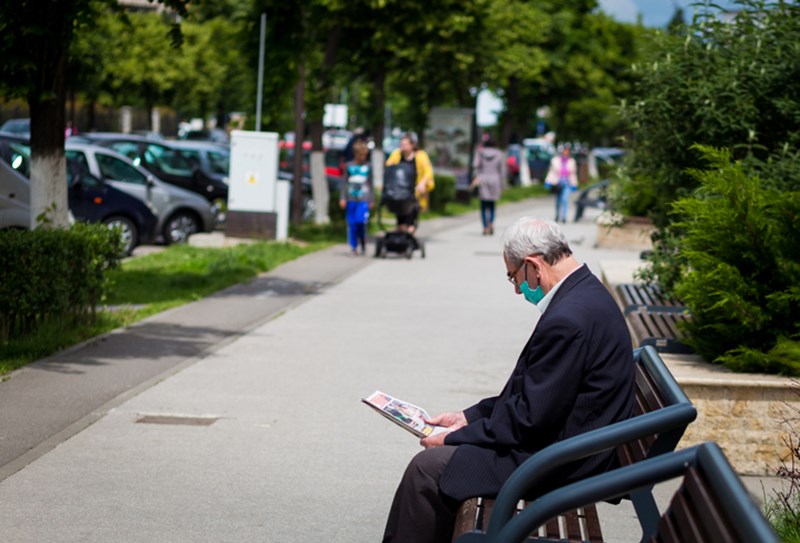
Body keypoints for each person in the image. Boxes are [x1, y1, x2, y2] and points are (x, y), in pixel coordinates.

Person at [382, 217, 635, 543]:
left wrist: (454, 438)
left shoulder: (568, 320)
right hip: (570, 444)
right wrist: (468, 418)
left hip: (561, 460)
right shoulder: (584, 293)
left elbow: (528, 420)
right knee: (435, 466)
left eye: (514, 277)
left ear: (533, 265)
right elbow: (535, 396)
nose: (518, 290)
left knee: (427, 470)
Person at [385, 133, 434, 234]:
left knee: (410, 220)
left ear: (412, 145)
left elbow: (428, 172)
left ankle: (408, 235)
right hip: (399, 192)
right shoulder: (397, 154)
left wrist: (422, 184)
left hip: (414, 193)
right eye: (401, 144)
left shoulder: (420, 156)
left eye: (405, 144)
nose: (402, 147)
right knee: (400, 221)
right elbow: (389, 167)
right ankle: (401, 239)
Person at [339, 139, 374, 255]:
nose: (363, 157)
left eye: (365, 155)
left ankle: (363, 242)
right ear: (356, 154)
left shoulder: (368, 166)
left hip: (364, 199)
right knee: (352, 224)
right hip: (351, 199)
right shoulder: (349, 166)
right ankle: (353, 247)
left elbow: (371, 184)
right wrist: (342, 197)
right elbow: (344, 183)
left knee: (361, 222)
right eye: (361, 155)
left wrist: (372, 199)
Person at [470, 136, 506, 235]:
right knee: (492, 204)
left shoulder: (480, 153)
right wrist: (503, 184)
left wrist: (476, 176)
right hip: (495, 180)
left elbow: (475, 166)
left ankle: (485, 226)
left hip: (483, 179)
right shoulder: (499, 154)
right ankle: (490, 223)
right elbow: (502, 170)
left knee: (483, 205)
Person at [544, 146, 578, 223]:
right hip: (557, 183)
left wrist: (575, 184)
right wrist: (547, 181)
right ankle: (557, 215)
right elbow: (551, 172)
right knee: (558, 200)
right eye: (564, 152)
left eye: (567, 153)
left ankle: (564, 217)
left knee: (565, 200)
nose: (566, 154)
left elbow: (573, 174)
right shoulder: (555, 160)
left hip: (567, 183)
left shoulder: (572, 161)